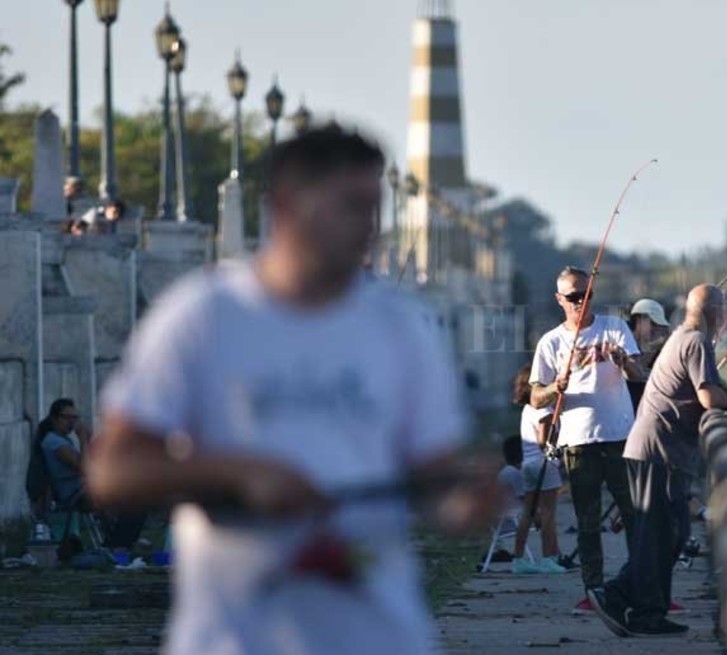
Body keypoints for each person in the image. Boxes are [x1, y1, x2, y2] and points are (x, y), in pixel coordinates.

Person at [87, 125, 498, 655]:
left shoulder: (405, 328)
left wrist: (465, 506)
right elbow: (111, 472)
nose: (369, 227)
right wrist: (237, 474)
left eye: (374, 208)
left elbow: (434, 484)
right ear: (286, 204)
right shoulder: (203, 316)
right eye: (351, 206)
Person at [589, 284, 727, 637]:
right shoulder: (696, 341)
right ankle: (625, 601)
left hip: (656, 449)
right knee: (662, 534)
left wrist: (723, 390)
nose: (723, 318)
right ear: (713, 312)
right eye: (722, 311)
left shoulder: (681, 338)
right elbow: (708, 396)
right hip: (659, 452)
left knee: (669, 534)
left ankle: (640, 607)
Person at [529, 266, 646, 609]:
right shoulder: (551, 342)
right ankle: (593, 588)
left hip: (621, 437)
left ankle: (639, 583)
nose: (581, 302)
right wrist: (557, 386)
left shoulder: (615, 327)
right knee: (588, 520)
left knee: (634, 514)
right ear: (559, 299)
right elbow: (536, 396)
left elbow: (639, 375)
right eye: (573, 297)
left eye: (586, 295)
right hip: (578, 442)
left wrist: (623, 360)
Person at [32, 398, 145, 559]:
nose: (71, 422)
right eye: (67, 417)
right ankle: (117, 546)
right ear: (55, 418)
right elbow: (85, 469)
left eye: (74, 418)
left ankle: (117, 543)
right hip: (76, 495)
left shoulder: (64, 440)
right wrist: (84, 439)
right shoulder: (54, 443)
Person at [509, 365, 567, 575]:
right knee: (549, 513)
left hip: (528, 464)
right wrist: (559, 450)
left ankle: (518, 559)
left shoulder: (527, 409)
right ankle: (548, 558)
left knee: (529, 511)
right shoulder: (544, 409)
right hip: (544, 464)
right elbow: (544, 440)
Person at [625, 298, 672, 409]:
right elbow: (636, 372)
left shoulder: (655, 349)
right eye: (653, 324)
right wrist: (655, 347)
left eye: (659, 325)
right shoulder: (622, 340)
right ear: (640, 319)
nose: (656, 329)